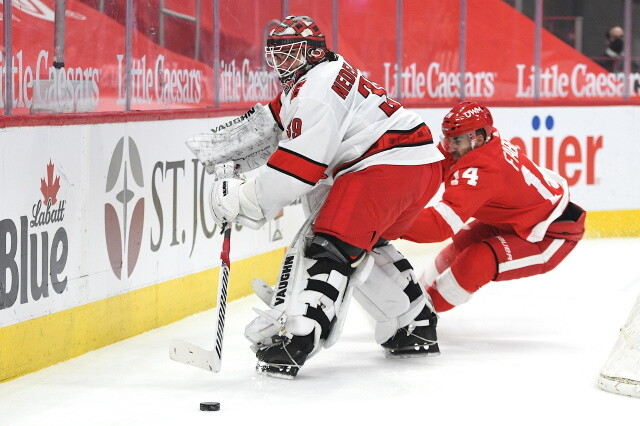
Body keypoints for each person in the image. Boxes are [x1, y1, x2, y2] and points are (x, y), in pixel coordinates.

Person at [208, 15, 444, 377]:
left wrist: (244, 199)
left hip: (387, 167)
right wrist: (224, 146)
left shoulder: (317, 90)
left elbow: (296, 171)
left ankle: (299, 335)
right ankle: (412, 321)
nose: (280, 65)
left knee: (329, 246)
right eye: (276, 56)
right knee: (358, 243)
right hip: (415, 164)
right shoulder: (321, 73)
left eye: (289, 55)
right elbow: (277, 119)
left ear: (313, 52)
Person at [401, 101, 586, 313]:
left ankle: (419, 317)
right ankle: (414, 295)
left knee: (477, 261)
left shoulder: (484, 170)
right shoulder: (474, 144)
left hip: (549, 235)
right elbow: (429, 172)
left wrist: (386, 222)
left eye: (456, 141)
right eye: (447, 138)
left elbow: (439, 225)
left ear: (478, 139)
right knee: (461, 243)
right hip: (517, 221)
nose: (448, 147)